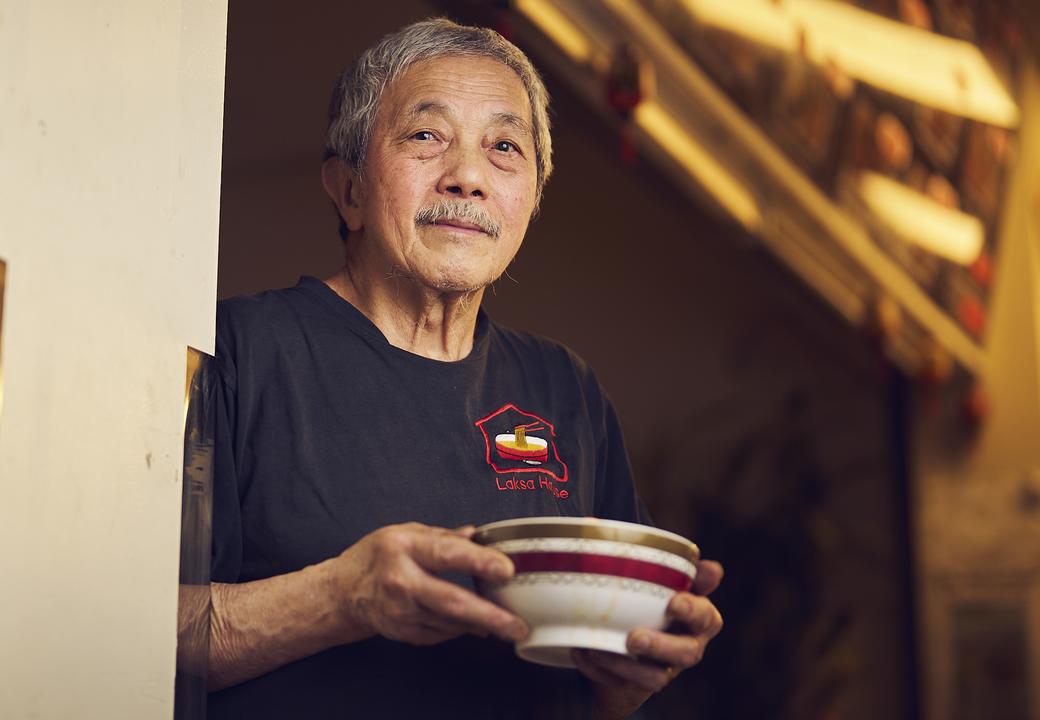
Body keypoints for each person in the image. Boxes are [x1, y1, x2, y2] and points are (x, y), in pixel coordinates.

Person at [187, 18, 723, 719]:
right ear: (347, 188)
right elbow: (117, 629)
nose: (468, 177)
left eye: (505, 147)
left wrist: (624, 681)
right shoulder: (237, 353)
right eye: (425, 137)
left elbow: (590, 693)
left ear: (530, 198)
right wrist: (342, 597)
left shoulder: (566, 390)